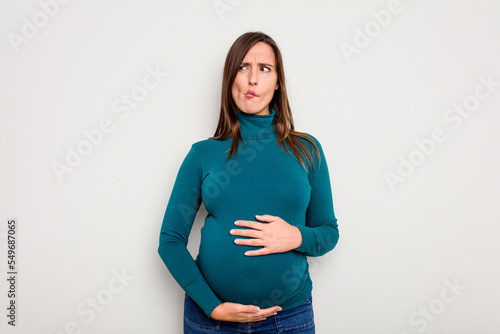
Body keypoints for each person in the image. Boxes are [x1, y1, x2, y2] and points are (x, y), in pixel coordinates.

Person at [158, 31, 339, 333]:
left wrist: (296, 237)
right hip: (210, 321)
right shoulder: (204, 154)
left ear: (277, 82)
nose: (253, 79)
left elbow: (328, 233)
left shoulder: (307, 150)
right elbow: (170, 241)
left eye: (264, 69)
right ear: (231, 78)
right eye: (243, 67)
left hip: (288, 318)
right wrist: (212, 306)